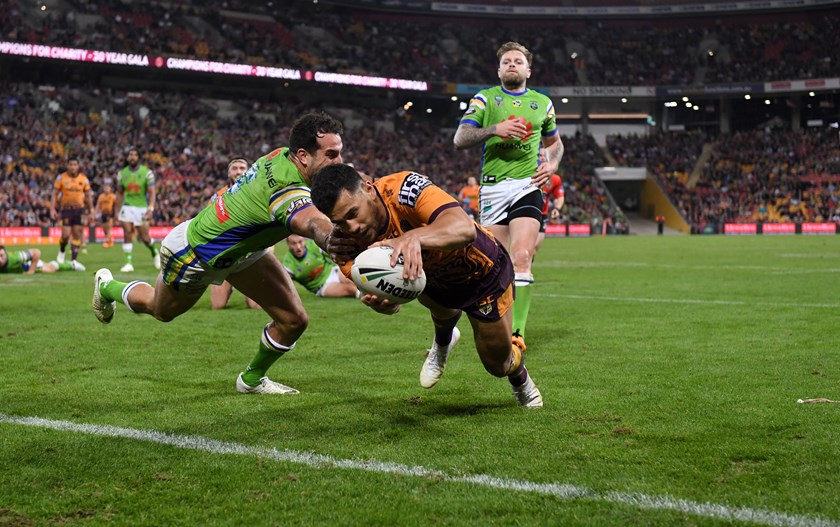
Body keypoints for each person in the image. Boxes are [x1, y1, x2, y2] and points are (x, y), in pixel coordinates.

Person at [91, 113, 346, 395]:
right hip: (194, 254)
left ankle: (251, 380)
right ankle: (107, 286)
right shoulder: (285, 188)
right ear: (303, 156)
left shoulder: (282, 156)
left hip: (243, 253)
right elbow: (312, 223)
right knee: (160, 310)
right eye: (332, 155)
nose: (339, 162)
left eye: (340, 154)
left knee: (294, 320)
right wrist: (344, 244)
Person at [310, 164, 543, 408]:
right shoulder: (345, 246)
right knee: (421, 285)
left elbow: (463, 229)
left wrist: (412, 237)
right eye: (341, 222)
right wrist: (385, 304)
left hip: (481, 273)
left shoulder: (404, 189)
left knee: (497, 365)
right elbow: (390, 299)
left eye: (353, 213)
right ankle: (443, 341)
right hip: (433, 281)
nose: (352, 227)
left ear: (368, 189)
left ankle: (520, 377)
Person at [453, 41, 564, 352]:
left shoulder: (542, 103)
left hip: (527, 185)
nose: (512, 65)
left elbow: (555, 144)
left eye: (518, 61)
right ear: (499, 69)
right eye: (507, 61)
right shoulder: (485, 99)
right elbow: (460, 138)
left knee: (523, 258)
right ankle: (493, 328)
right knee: (495, 268)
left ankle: (517, 334)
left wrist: (551, 164)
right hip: (492, 190)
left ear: (528, 70)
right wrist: (494, 129)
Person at [208, 158, 260, 310]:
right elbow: (210, 225)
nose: (238, 171)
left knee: (255, 305)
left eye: (242, 168)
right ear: (229, 173)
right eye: (235, 168)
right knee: (217, 305)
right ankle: (229, 283)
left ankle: (245, 281)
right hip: (226, 253)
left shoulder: (258, 192)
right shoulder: (217, 197)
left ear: (248, 171)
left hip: (250, 252)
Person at [115, 147, 159, 273]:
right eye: (130, 154)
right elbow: (119, 193)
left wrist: (151, 208)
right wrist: (117, 210)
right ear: (128, 157)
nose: (132, 157)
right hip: (127, 206)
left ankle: (154, 252)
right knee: (127, 232)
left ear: (139, 157)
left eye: (135, 155)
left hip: (141, 208)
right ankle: (128, 263)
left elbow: (152, 193)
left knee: (145, 238)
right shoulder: (122, 174)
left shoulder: (147, 173)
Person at [282, 234, 359, 298]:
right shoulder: (288, 263)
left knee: (355, 280)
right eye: (294, 243)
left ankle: (369, 291)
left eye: (300, 242)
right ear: (288, 245)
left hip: (333, 272)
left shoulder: (313, 246)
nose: (298, 247)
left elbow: (334, 255)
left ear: (304, 241)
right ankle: (367, 297)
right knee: (351, 289)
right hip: (322, 287)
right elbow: (284, 284)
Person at [50, 158, 94, 267]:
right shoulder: (61, 178)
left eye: (75, 164)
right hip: (66, 209)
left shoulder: (84, 179)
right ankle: (62, 252)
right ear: (67, 165)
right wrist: (52, 209)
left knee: (77, 234)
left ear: (78, 166)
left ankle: (74, 260)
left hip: (79, 209)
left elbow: (88, 196)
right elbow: (54, 194)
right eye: (71, 164)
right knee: (65, 235)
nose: (73, 167)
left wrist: (91, 210)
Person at [535, 172, 565, 255]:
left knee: (535, 247)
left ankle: (527, 267)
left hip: (542, 215)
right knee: (526, 248)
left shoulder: (555, 179)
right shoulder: (528, 174)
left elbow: (560, 197)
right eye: (540, 157)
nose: (542, 158)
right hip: (528, 214)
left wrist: (557, 208)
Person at [0, 246, 84, 274]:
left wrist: (31, 271)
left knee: (51, 269)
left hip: (28, 265)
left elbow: (36, 252)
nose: (0, 260)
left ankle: (72, 265)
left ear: (6, 253)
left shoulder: (16, 258)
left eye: (1, 256)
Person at [96, 183, 117, 248]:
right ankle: (111, 240)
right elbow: (98, 205)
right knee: (104, 229)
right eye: (105, 188)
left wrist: (116, 214)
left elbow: (116, 205)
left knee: (108, 228)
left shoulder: (113, 196)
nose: (106, 189)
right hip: (103, 214)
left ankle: (107, 242)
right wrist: (96, 212)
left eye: (108, 188)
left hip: (110, 213)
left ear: (110, 189)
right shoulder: (101, 196)